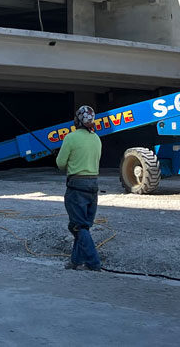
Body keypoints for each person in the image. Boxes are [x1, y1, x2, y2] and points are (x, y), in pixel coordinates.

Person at [55, 104, 102, 271]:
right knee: (83, 225)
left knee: (78, 226)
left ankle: (93, 262)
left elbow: (60, 164)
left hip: (76, 186)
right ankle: (75, 261)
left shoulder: (71, 138)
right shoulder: (96, 138)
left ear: (77, 121)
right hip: (93, 185)